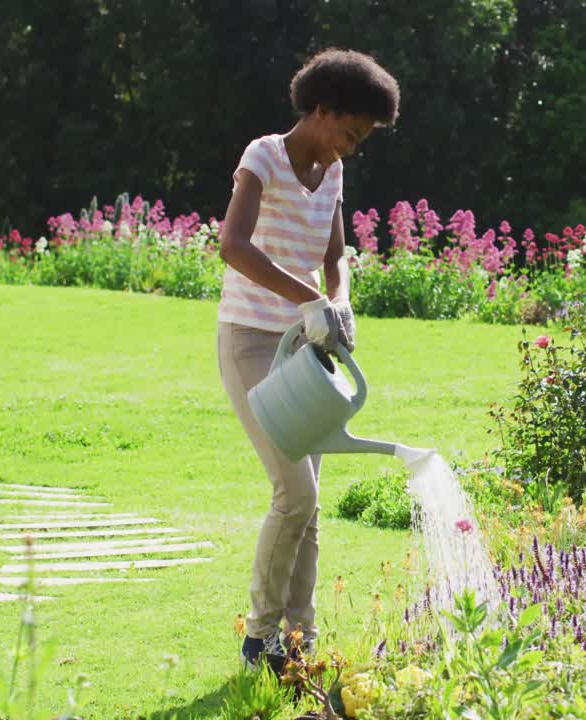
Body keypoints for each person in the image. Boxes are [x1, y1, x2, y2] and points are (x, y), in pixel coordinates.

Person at [216, 48, 400, 673]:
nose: (351, 146)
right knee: (294, 494)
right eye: (349, 131)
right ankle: (258, 639)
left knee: (310, 503)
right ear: (320, 111)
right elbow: (232, 247)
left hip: (306, 348)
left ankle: (298, 646)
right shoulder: (263, 156)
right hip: (250, 341)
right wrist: (311, 299)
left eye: (361, 139)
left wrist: (339, 301)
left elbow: (335, 255)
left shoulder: (335, 172)